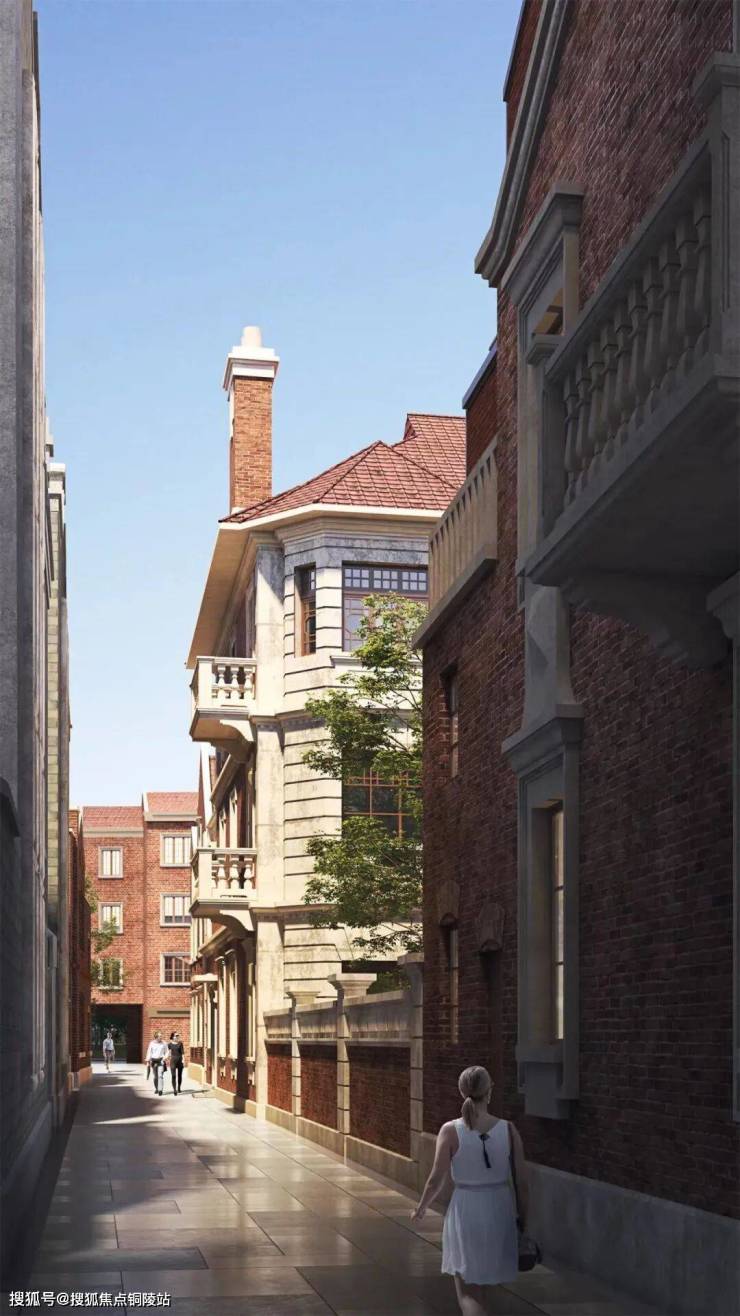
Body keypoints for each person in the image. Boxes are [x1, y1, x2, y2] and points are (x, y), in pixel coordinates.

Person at [411, 1065, 527, 1316]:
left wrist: (421, 1208)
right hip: (499, 1207)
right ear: (489, 1091)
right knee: (490, 1288)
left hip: (466, 1209)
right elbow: (522, 1183)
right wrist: (524, 1221)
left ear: (462, 1091)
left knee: (467, 1293)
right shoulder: (508, 1130)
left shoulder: (451, 1130)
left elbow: (436, 1179)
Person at [145, 1031, 168, 1095]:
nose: (161, 1037)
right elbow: (149, 1052)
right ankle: (157, 1088)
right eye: (160, 1036)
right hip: (154, 1061)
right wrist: (148, 1061)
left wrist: (164, 1058)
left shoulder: (164, 1043)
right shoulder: (152, 1043)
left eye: (161, 1036)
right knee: (155, 1076)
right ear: (156, 1037)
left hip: (161, 1060)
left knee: (160, 1075)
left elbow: (167, 1052)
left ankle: (160, 1090)